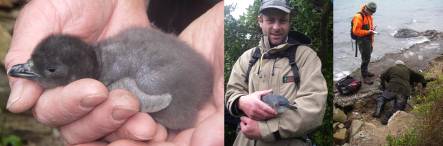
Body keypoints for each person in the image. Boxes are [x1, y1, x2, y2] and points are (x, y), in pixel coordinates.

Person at [4, 0, 224, 145]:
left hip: (178, 69)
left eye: (50, 70)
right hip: (168, 26)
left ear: (74, 76)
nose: (23, 69)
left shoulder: (114, 81)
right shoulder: (117, 44)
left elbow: (160, 97)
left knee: (149, 90)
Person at [225, 0, 327, 145]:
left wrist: (265, 129)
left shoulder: (306, 56)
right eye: (270, 20)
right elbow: (231, 93)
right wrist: (241, 102)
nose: (276, 27)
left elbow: (314, 106)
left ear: (289, 22)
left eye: (283, 20)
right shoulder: (247, 58)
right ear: (260, 21)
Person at [373, 60, 426, 125]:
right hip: (404, 92)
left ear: (396, 65)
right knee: (398, 108)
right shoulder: (408, 70)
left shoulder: (392, 68)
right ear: (404, 65)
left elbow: (382, 76)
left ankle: (377, 112)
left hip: (391, 87)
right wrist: (424, 85)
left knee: (382, 99)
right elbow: (420, 77)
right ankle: (386, 118)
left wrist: (384, 86)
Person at [351, 2, 377, 84]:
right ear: (366, 9)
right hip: (362, 40)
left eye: (373, 12)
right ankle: (364, 76)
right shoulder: (358, 17)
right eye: (371, 12)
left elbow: (369, 27)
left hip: (369, 39)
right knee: (365, 58)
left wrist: (372, 30)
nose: (372, 14)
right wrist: (368, 32)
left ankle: (366, 71)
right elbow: (355, 31)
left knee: (368, 56)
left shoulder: (369, 16)